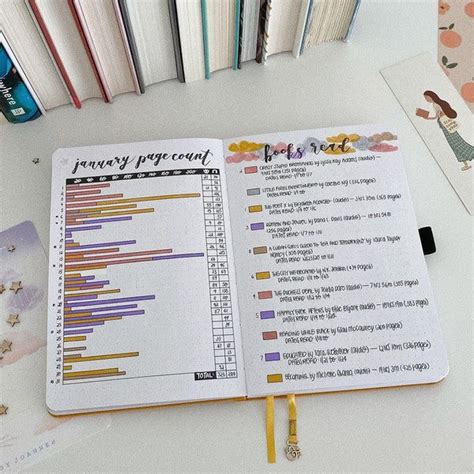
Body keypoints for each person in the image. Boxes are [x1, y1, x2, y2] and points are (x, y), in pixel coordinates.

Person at [420, 90, 473, 171]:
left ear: (431, 96)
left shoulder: (437, 104)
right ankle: (465, 164)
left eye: (427, 98)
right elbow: (437, 116)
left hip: (447, 125)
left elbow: (441, 114)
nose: (426, 100)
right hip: (445, 126)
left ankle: (470, 155)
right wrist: (428, 118)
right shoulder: (436, 104)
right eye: (425, 98)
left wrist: (432, 116)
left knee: (456, 143)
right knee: (454, 144)